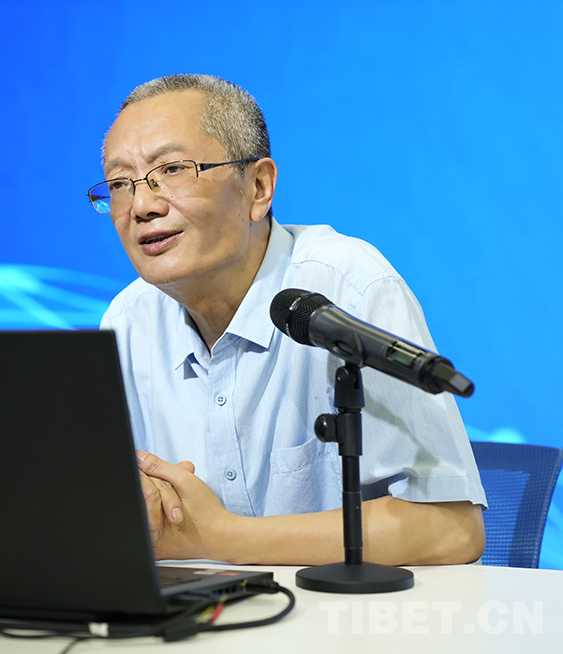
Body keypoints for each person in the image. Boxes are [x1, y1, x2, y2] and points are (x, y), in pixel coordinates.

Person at [87, 74, 486, 566]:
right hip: (200, 612)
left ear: (258, 187)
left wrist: (222, 537)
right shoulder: (128, 320)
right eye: (119, 184)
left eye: (172, 169)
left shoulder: (349, 288)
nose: (142, 206)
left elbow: (451, 528)